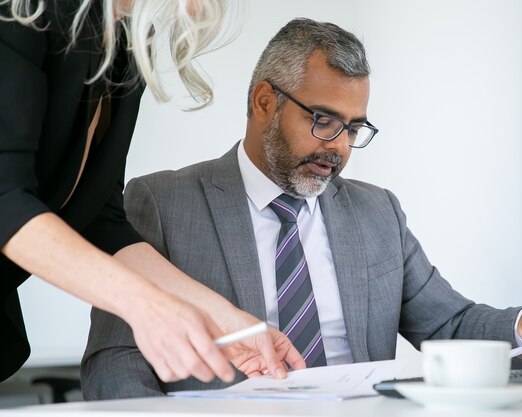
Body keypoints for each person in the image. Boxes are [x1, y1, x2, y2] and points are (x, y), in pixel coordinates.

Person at [81, 18, 522, 398]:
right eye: (323, 120)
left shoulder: (378, 212)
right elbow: (115, 361)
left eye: (354, 128)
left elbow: (449, 324)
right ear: (263, 103)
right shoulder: (163, 203)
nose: (338, 147)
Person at [0, 0, 305, 384]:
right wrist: (144, 306)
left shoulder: (126, 46)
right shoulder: (23, 12)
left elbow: (100, 220)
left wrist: (222, 318)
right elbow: (5, 202)